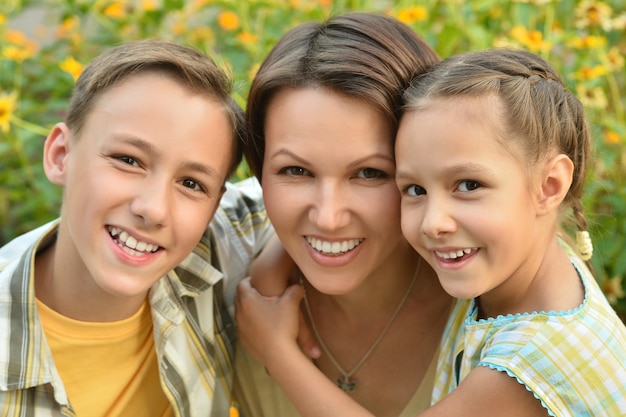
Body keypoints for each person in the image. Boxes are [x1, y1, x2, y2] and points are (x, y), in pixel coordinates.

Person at [236, 48, 626, 416]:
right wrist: (272, 268)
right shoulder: (534, 266)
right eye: (415, 190)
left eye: (468, 185)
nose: (433, 222)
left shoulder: (536, 361)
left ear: (550, 186)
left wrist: (276, 352)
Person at [0, 39, 273, 416]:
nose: (154, 209)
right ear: (61, 155)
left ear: (213, 208)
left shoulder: (214, 248)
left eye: (192, 184)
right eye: (128, 160)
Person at [233, 12, 453, 417]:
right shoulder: (227, 273)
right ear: (258, 169)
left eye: (370, 173)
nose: (328, 218)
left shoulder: (499, 300)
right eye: (295, 171)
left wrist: (278, 354)